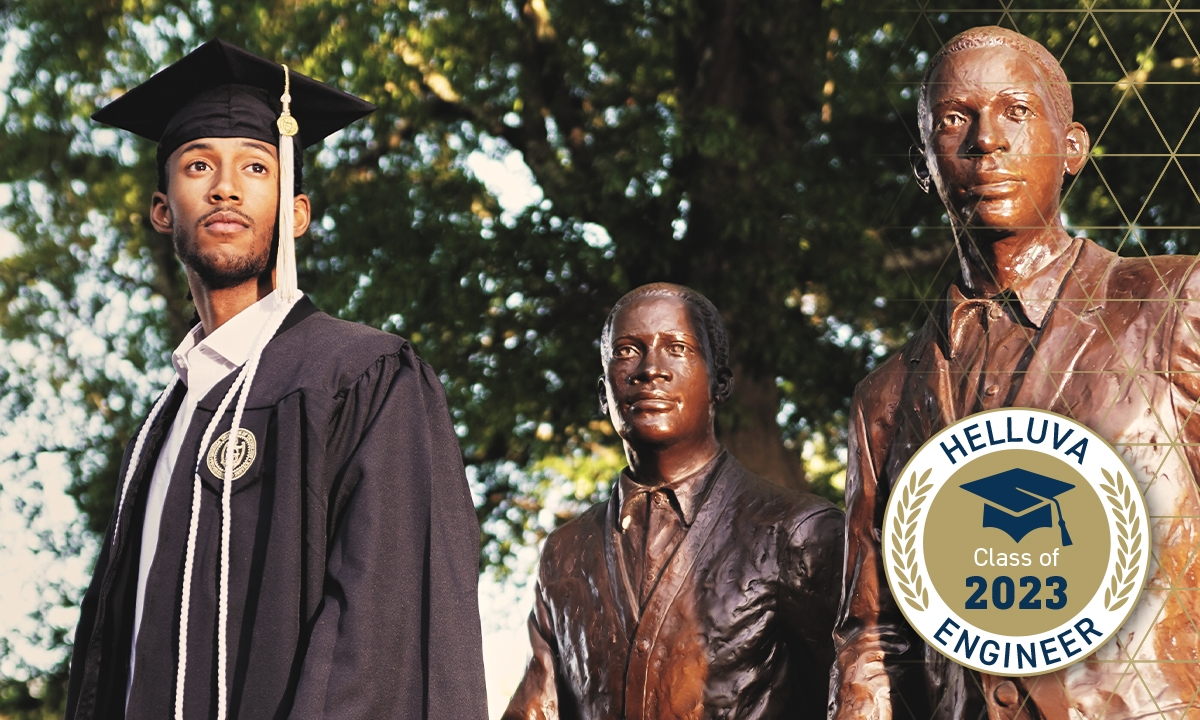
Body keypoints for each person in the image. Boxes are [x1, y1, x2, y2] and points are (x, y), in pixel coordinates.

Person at [65, 39, 488, 720]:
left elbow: (381, 638)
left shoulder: (365, 377)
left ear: (297, 214)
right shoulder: (159, 430)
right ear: (162, 209)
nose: (225, 186)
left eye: (255, 167)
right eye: (198, 165)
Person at [829, 26, 1200, 720]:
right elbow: (875, 638)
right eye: (953, 119)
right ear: (923, 164)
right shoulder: (882, 398)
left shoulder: (1175, 306)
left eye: (1016, 111)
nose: (985, 141)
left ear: (1073, 147)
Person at [503, 283, 844, 720]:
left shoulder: (799, 532)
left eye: (677, 348)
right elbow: (537, 704)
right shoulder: (564, 553)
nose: (650, 370)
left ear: (720, 383)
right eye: (627, 351)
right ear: (602, 392)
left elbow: (855, 691)